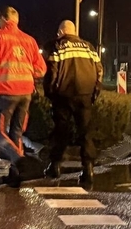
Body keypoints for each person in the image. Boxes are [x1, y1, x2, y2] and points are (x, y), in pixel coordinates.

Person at [0, 7, 47, 179]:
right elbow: (41, 69)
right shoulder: (29, 40)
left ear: (3, 19)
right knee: (16, 131)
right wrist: (26, 71)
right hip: (26, 92)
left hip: (6, 91)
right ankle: (15, 172)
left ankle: (20, 161)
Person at [43, 20, 103, 187]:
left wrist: (50, 93)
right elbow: (99, 71)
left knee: (61, 131)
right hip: (85, 95)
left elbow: (52, 73)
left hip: (63, 95)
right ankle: (88, 169)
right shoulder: (89, 47)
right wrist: (95, 92)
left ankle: (55, 166)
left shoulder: (58, 46)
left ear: (61, 31)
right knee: (85, 132)